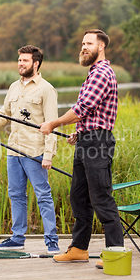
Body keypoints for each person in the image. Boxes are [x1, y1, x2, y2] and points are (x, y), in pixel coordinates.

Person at [39, 29, 123, 266]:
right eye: (82, 43)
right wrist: (80, 132)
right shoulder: (93, 72)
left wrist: (53, 123)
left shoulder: (101, 73)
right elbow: (90, 114)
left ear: (101, 47)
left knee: (101, 198)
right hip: (88, 140)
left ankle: (116, 254)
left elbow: (82, 108)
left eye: (89, 44)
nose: (83, 47)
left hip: (97, 144)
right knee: (79, 197)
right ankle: (79, 248)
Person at [0, 45, 60, 254]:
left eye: (25, 61)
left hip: (34, 152)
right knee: (16, 195)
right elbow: (3, 114)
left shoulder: (47, 89)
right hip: (13, 151)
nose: (20, 64)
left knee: (43, 195)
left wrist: (48, 155)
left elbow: (51, 124)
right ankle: (17, 238)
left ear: (35, 63)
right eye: (19, 60)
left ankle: (52, 241)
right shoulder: (13, 87)